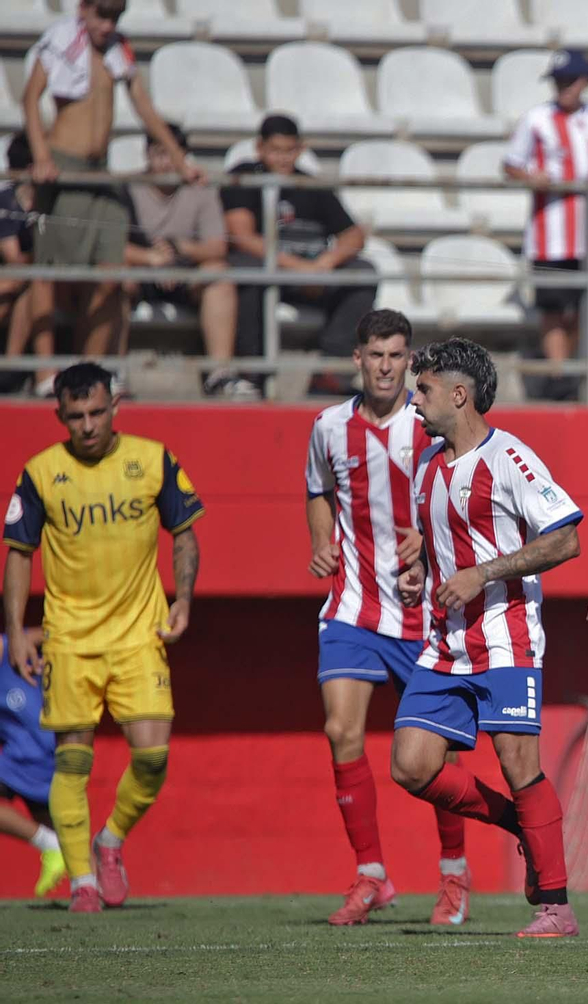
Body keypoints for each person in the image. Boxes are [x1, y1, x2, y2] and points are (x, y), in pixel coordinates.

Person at [388, 338, 584, 939]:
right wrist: (420, 570)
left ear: (459, 394)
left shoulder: (513, 460)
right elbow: (437, 539)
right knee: (411, 765)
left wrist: (485, 571)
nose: (412, 399)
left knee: (518, 763)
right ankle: (520, 827)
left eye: (421, 389)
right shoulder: (426, 466)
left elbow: (566, 539)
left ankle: (555, 906)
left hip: (507, 638)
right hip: (445, 643)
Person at [3, 361, 204, 913]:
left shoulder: (151, 459)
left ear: (115, 405)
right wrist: (16, 632)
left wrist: (183, 597)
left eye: (97, 412)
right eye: (75, 417)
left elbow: (184, 535)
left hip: (140, 633)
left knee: (153, 758)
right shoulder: (41, 472)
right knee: (71, 762)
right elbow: (19, 555)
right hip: (68, 639)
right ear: (60, 416)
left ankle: (109, 840)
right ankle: (83, 880)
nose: (88, 426)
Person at [305, 310, 476, 927]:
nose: (385, 366)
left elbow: (461, 497)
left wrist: (426, 547)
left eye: (397, 356)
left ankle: (454, 873)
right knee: (340, 732)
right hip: (351, 606)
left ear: (410, 362)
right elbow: (317, 491)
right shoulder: (328, 427)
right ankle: (371, 874)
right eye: (376, 354)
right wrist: (321, 539)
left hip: (423, 614)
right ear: (358, 357)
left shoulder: (428, 423)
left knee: (433, 756)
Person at [21, 1, 203, 367]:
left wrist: (181, 162)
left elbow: (144, 108)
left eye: (114, 17)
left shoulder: (118, 49)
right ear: (83, 9)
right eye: (101, 16)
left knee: (109, 273)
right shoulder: (60, 40)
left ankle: (89, 371)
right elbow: (30, 99)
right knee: (47, 272)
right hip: (62, 165)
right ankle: (43, 372)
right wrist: (41, 156)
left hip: (98, 169)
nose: (107, 25)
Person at [502, 49, 588, 402]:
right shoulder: (536, 119)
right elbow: (511, 164)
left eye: (569, 81)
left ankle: (565, 373)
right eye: (558, 82)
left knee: (585, 306)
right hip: (550, 233)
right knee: (552, 308)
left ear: (584, 82)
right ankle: (560, 375)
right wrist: (532, 177)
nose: (563, 88)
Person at [223, 114, 376, 396]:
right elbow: (242, 236)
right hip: (270, 271)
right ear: (260, 148)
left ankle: (331, 371)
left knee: (363, 272)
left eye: (289, 150)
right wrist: (298, 267)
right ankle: (252, 374)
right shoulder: (243, 178)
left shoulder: (310, 185)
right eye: (275, 150)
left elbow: (354, 235)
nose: (283, 158)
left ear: (300, 148)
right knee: (245, 270)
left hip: (310, 273)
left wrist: (325, 263)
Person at [124, 123, 251, 399]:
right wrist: (151, 259)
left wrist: (180, 249)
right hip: (139, 269)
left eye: (172, 153)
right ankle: (110, 373)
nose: (165, 162)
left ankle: (220, 374)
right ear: (146, 154)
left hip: (185, 273)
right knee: (114, 275)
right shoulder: (126, 187)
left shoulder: (200, 189)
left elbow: (217, 247)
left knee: (219, 274)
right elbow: (111, 245)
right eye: (158, 153)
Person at [0, 628, 67, 898]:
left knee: (59, 835)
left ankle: (50, 845)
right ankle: (97, 886)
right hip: (26, 756)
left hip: (39, 752)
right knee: (65, 835)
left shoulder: (13, 645)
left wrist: (47, 648)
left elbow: (61, 632)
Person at [0, 133, 44, 395]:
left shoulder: (51, 201)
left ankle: (11, 369)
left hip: (29, 280)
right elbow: (13, 258)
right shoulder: (5, 201)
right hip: (12, 275)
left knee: (29, 291)